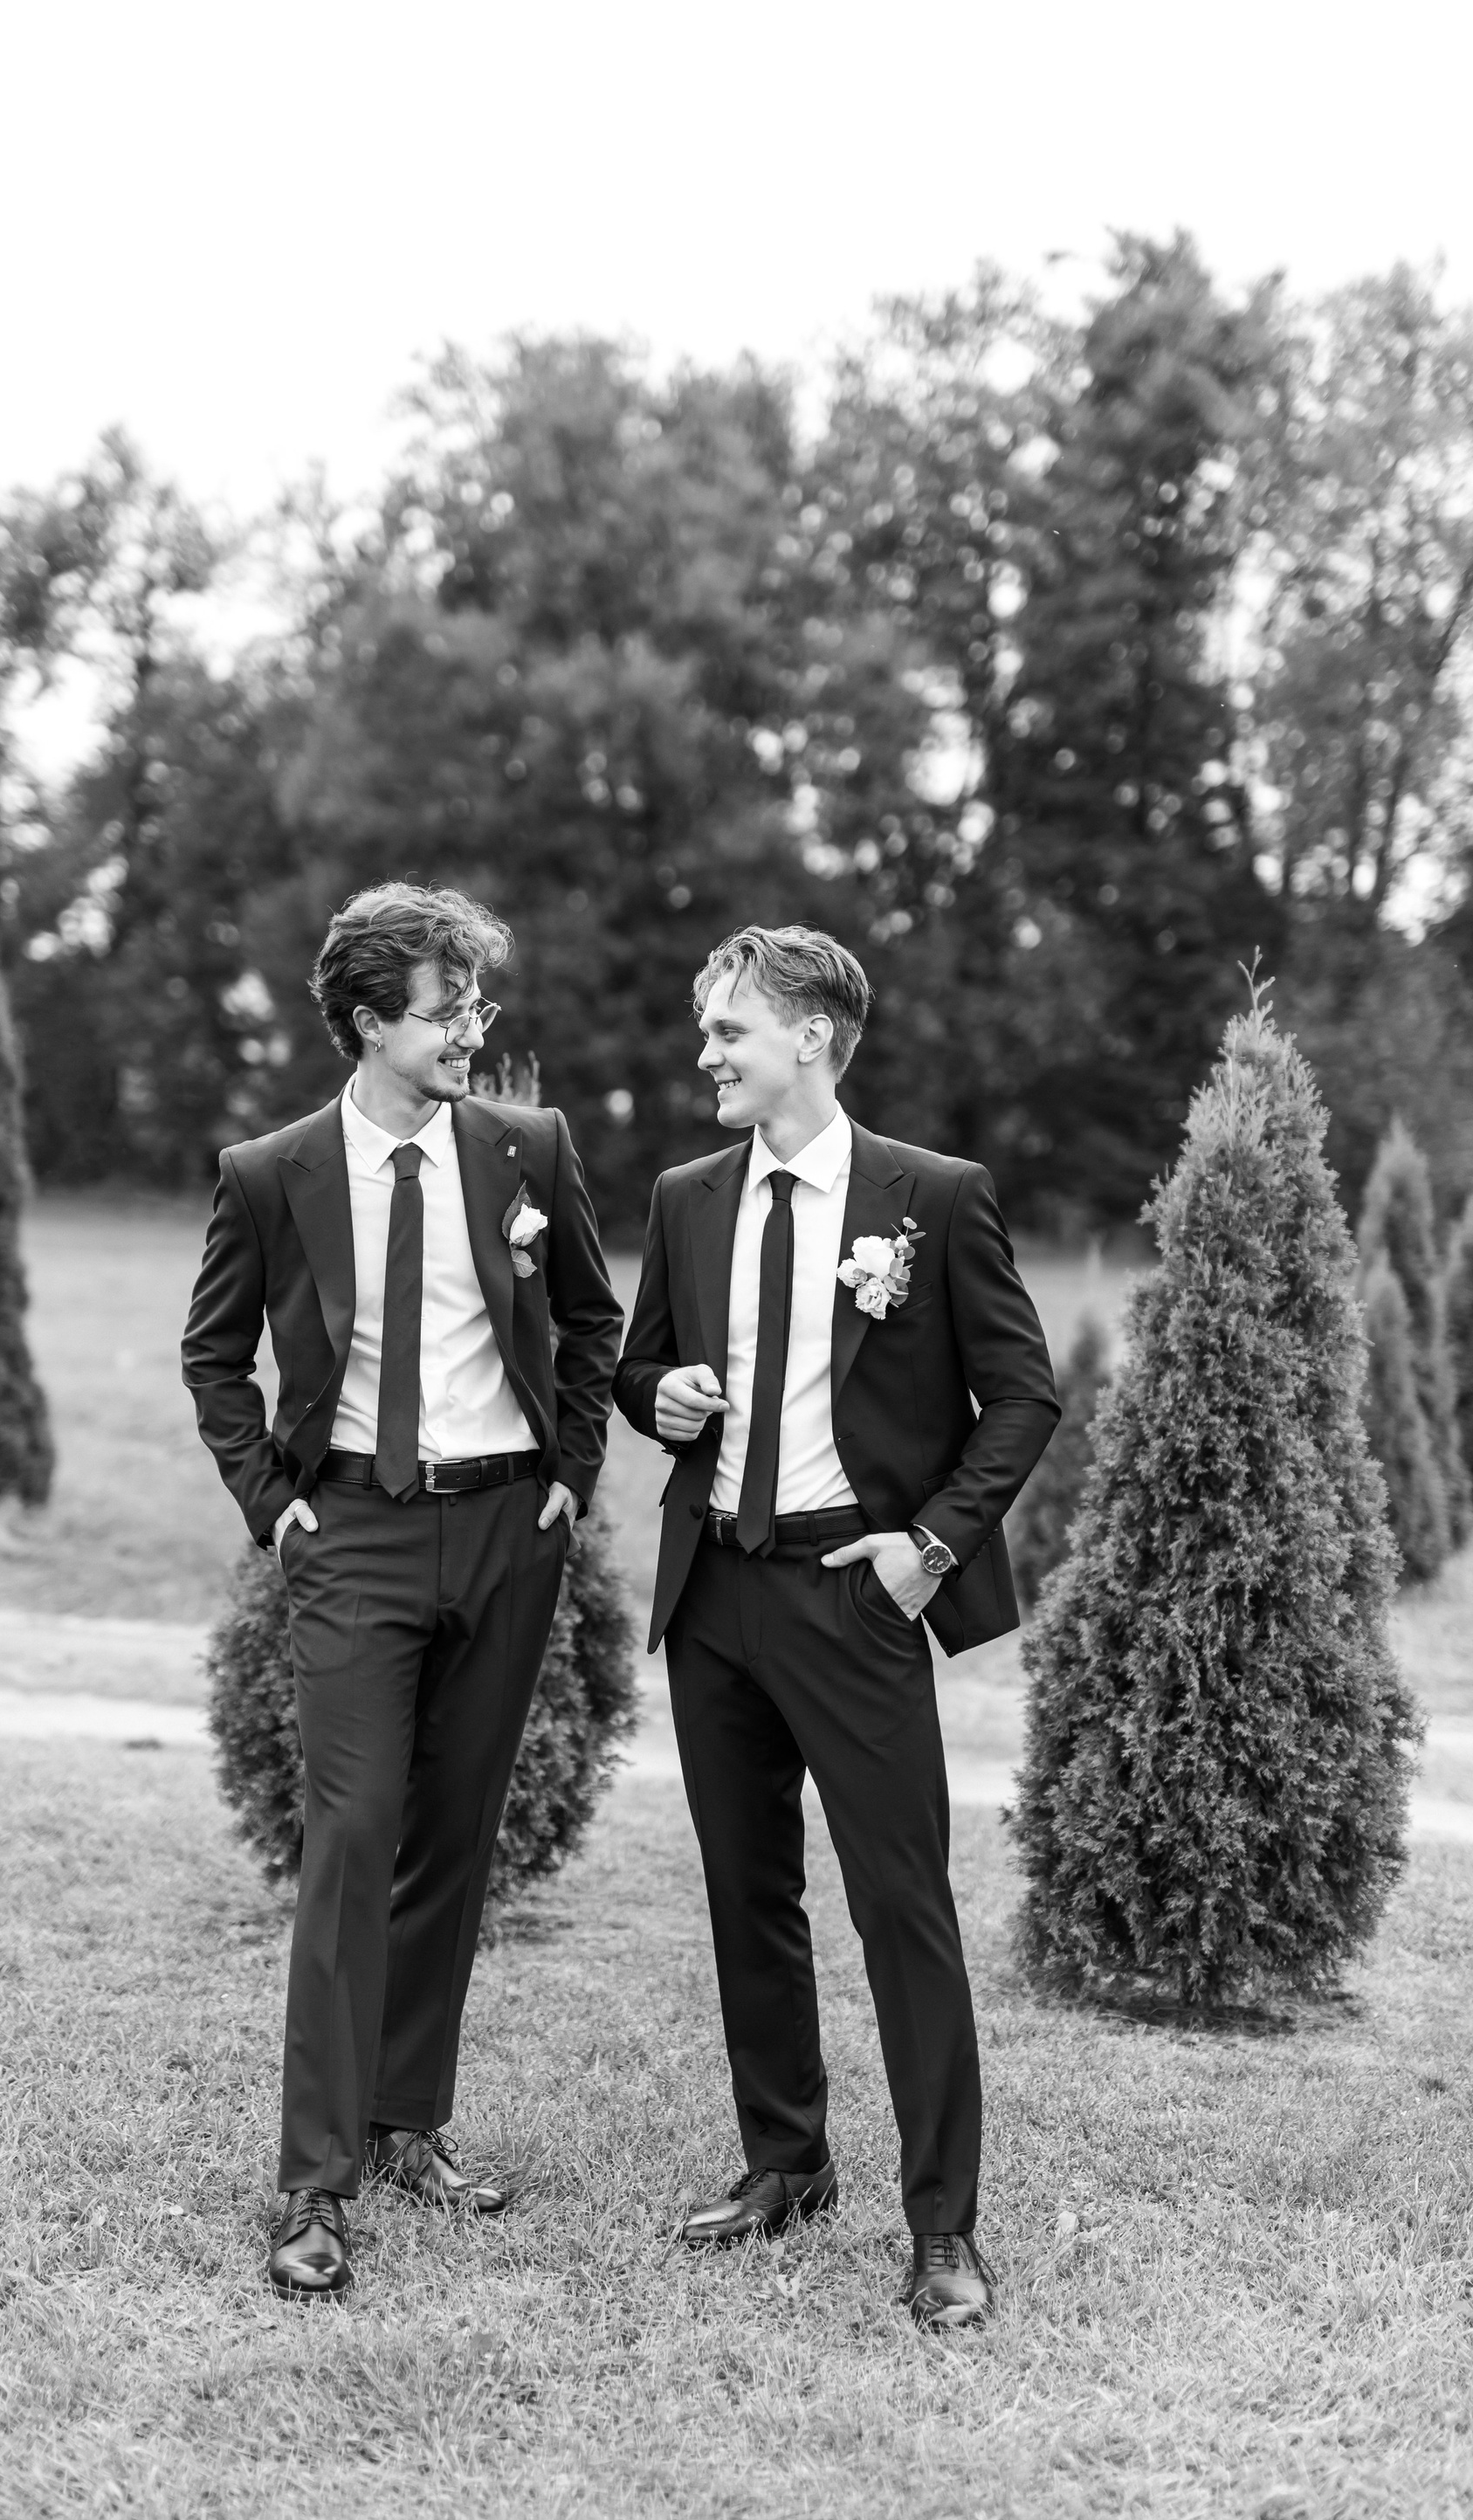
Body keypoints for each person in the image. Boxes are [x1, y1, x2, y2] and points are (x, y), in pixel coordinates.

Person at [613, 924, 1057, 2329]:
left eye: (728, 1030)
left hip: (855, 1596)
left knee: (901, 1906)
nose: (706, 1053)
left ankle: (944, 2227)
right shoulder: (688, 1196)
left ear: (809, 1035)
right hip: (715, 1591)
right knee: (747, 1893)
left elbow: (1024, 1396)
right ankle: (786, 2162)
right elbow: (639, 1365)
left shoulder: (936, 1198)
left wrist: (929, 1548)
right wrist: (657, 1396)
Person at [182, 882, 621, 2299]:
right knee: (354, 1832)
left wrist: (572, 1472)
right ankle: (314, 2183)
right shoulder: (271, 1172)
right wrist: (275, 1505)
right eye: (447, 1011)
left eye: (475, 1005)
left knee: (453, 1835)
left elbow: (594, 1322)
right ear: (371, 1021)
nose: (470, 1032)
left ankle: (403, 2123)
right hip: (355, 1535)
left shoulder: (530, 1148)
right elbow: (214, 1356)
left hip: (507, 1526)